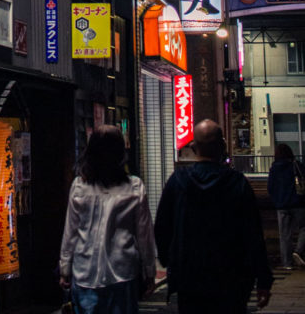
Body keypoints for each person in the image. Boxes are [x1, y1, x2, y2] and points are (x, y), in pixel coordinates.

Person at [154, 119, 272, 314]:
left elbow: (162, 226)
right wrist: (263, 279)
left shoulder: (179, 182)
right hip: (232, 277)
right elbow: (253, 234)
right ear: (222, 146)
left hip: (189, 276)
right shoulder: (237, 183)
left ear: (193, 146)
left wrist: (169, 261)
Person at [59, 125, 156, 314]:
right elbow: (144, 235)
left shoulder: (80, 186)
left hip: (84, 271)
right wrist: (149, 271)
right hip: (123, 271)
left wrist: (65, 267)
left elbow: (70, 232)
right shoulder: (134, 187)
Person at [267, 142, 305, 269]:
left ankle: (287, 263)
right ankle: (298, 251)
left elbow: (270, 187)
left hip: (281, 205)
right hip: (297, 202)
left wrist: (276, 200)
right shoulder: (295, 165)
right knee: (303, 227)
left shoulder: (274, 168)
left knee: (284, 235)